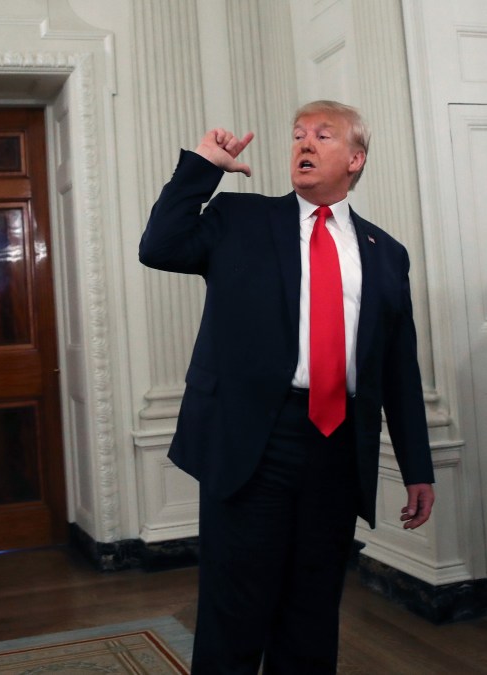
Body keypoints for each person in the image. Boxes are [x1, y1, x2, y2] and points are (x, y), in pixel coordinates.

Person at [138, 100, 435, 673]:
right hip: (254, 442)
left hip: (338, 447)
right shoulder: (239, 220)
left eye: (323, 136)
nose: (304, 143)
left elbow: (399, 367)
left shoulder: (386, 253)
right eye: (298, 134)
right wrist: (203, 167)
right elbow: (159, 247)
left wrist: (417, 467)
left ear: (355, 158)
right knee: (236, 612)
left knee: (312, 613)